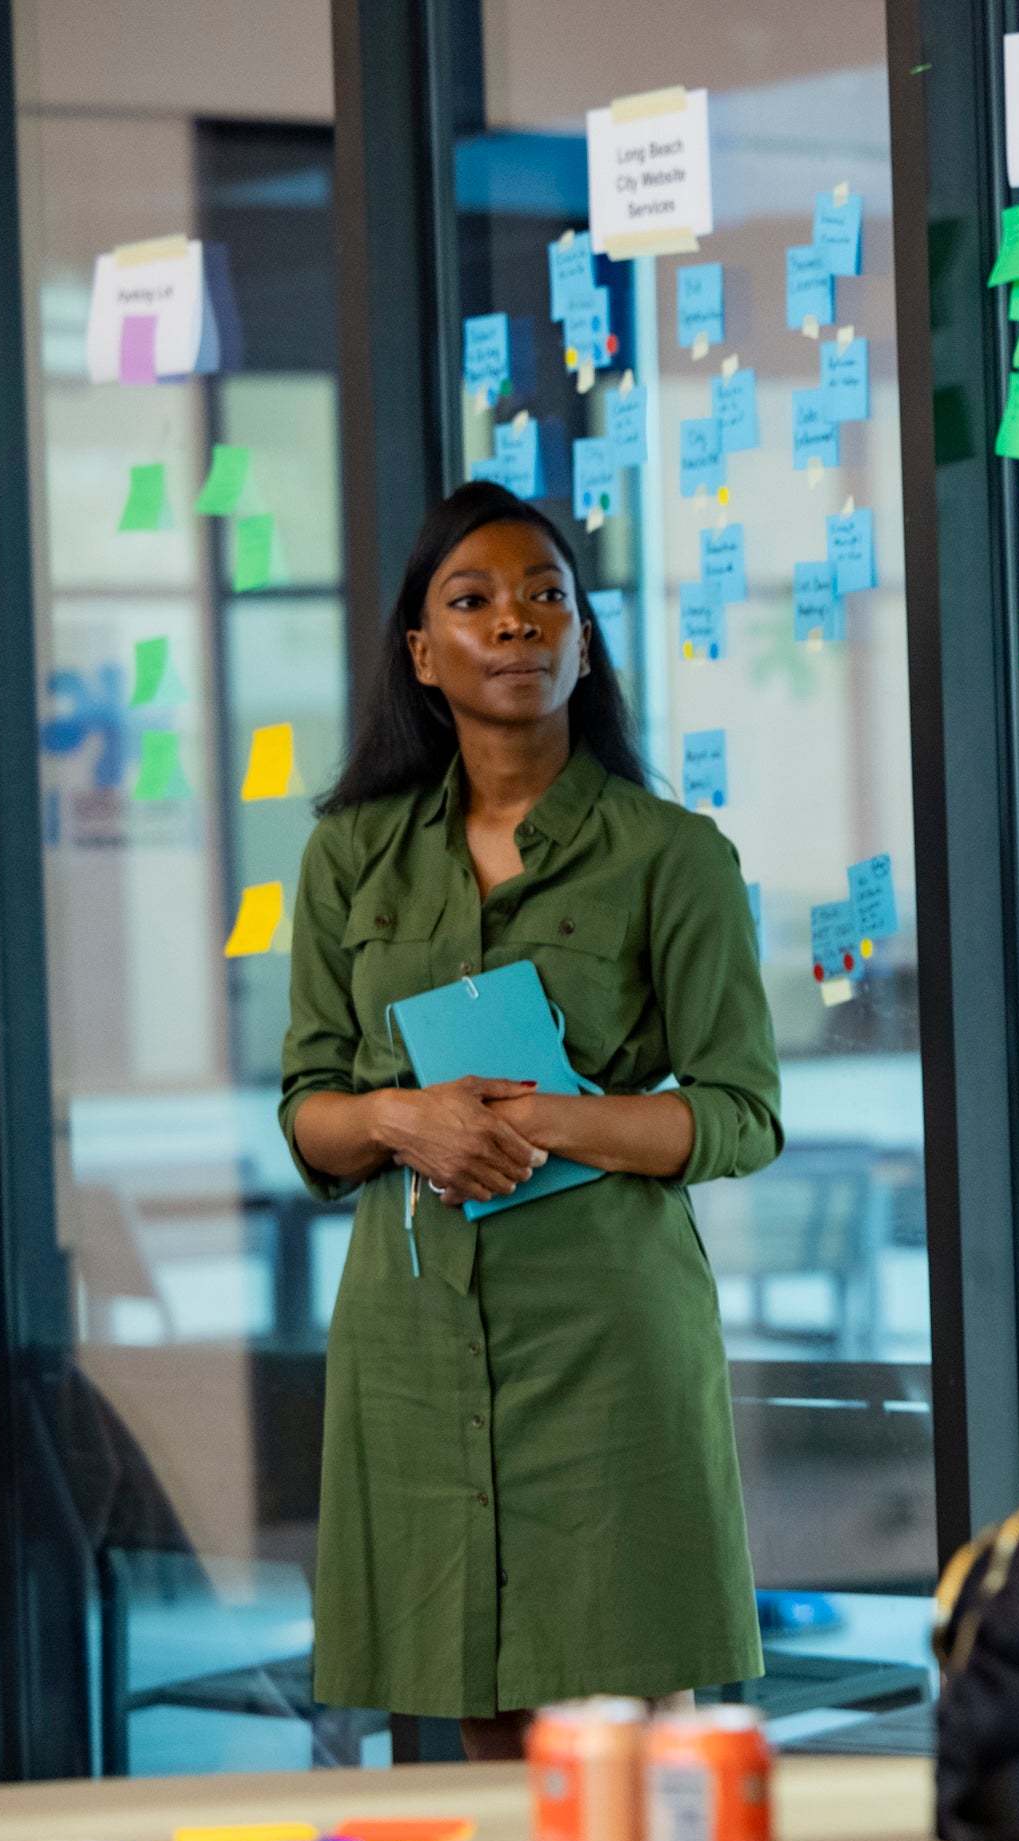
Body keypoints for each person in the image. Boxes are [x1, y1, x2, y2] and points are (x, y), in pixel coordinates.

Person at [281, 482, 780, 1759]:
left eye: (548, 596)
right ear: (420, 651)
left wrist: (544, 1121)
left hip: (608, 1353)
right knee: (451, 1767)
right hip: (409, 1349)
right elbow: (308, 1115)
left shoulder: (674, 855)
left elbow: (738, 1114)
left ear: (587, 638)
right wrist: (404, 1117)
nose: (517, 624)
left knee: (616, 1758)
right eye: (475, 600)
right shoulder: (351, 855)